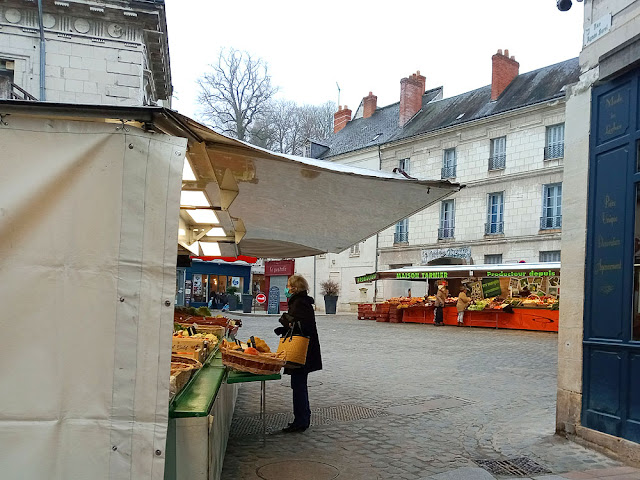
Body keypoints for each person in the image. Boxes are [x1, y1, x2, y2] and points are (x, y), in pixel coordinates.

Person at [274, 274, 322, 433]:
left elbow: (299, 325)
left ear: (294, 288)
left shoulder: (299, 303)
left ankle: (301, 420)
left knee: (298, 385)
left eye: (288, 286)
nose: (286, 289)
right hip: (305, 349)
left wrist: (284, 322)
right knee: (299, 384)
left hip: (301, 350)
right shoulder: (302, 302)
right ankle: (302, 417)